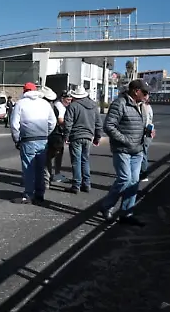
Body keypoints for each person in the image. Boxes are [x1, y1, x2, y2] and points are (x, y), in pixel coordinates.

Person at [100, 79, 150, 226]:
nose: (147, 96)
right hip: (123, 149)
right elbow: (108, 126)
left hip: (137, 150)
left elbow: (137, 125)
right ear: (136, 91)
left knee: (134, 182)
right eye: (145, 92)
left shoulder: (141, 106)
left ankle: (126, 213)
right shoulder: (120, 104)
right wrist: (125, 140)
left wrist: (146, 132)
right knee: (125, 179)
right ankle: (106, 206)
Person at [10, 82, 56, 205]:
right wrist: (46, 132)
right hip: (42, 139)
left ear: (24, 91)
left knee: (28, 168)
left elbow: (14, 124)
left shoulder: (20, 104)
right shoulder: (45, 103)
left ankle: (29, 195)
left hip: (28, 139)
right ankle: (40, 194)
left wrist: (17, 139)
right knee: (41, 168)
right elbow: (53, 122)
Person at [63, 86, 102, 193]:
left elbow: (68, 123)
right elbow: (98, 123)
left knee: (76, 161)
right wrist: (97, 137)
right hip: (88, 136)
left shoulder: (73, 106)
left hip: (76, 136)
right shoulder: (94, 105)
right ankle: (87, 184)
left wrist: (66, 136)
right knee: (85, 160)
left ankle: (76, 185)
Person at [41, 86, 61, 189]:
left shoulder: (43, 108)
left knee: (45, 160)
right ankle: (47, 179)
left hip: (48, 136)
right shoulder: (55, 108)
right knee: (48, 159)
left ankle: (45, 181)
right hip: (56, 137)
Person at [51, 91, 72, 183]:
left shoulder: (58, 105)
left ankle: (52, 174)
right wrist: (69, 125)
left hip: (56, 133)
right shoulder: (60, 106)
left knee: (54, 154)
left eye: (70, 100)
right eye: (68, 100)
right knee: (57, 154)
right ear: (62, 98)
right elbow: (60, 120)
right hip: (57, 133)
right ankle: (56, 174)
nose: (69, 102)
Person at [139, 95, 155, 181]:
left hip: (145, 133)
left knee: (142, 154)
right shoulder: (148, 106)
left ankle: (143, 174)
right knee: (143, 153)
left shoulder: (143, 107)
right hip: (148, 132)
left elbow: (144, 121)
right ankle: (142, 173)